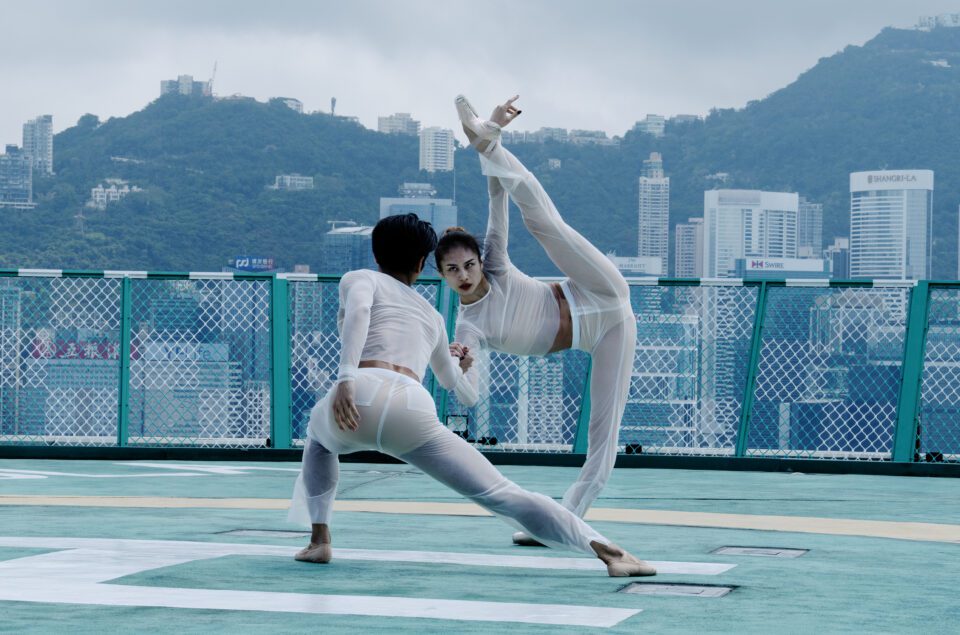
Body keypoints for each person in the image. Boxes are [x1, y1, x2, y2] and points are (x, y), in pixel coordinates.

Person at [288, 212, 655, 577]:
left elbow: (359, 312)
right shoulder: (432, 316)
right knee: (501, 493)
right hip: (411, 408)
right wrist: (461, 365)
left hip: (359, 394)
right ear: (421, 264)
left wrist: (346, 379)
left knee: (318, 440)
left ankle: (320, 539)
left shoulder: (360, 278)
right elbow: (453, 384)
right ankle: (607, 550)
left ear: (376, 253)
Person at [438, 95, 637, 546]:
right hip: (609, 331)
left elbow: (498, 199)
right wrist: (459, 368)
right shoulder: (469, 328)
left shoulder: (496, 264)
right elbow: (468, 395)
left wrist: (491, 139)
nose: (465, 275)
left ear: (478, 261)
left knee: (544, 223)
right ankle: (560, 525)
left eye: (468, 265)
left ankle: (487, 141)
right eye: (453, 271)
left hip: (597, 290)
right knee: (602, 434)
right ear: (443, 277)